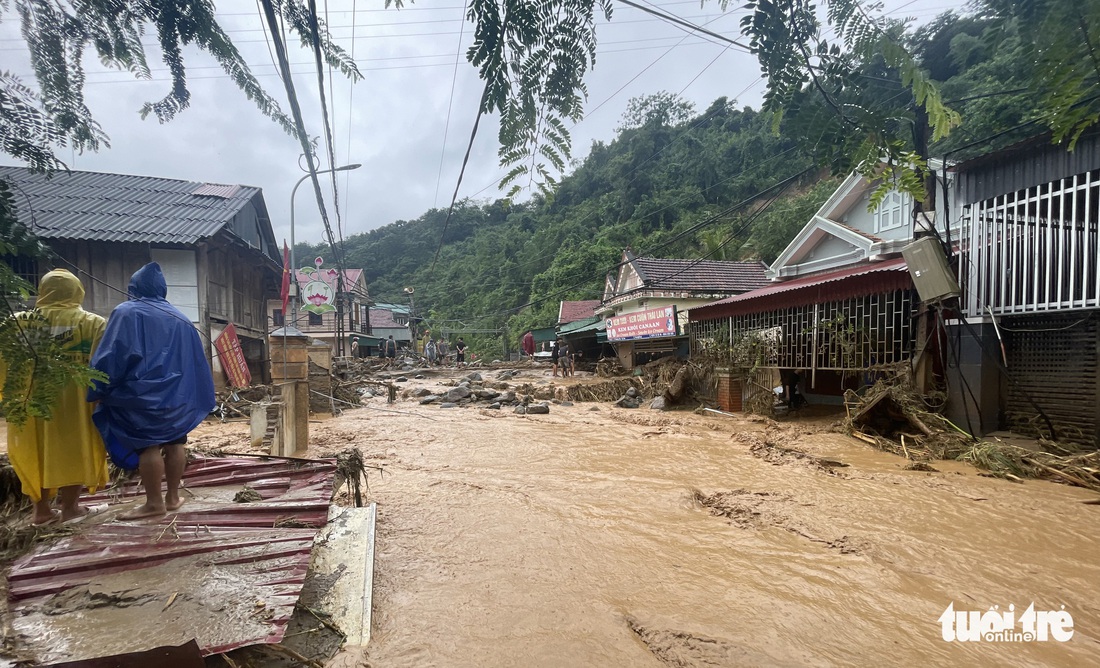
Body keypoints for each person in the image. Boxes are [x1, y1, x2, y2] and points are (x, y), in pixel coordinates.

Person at [88, 262, 215, 520]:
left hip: (140, 396)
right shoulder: (182, 319)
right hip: (177, 398)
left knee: (148, 447)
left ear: (133, 288)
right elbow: (197, 364)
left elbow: (112, 355)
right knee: (176, 441)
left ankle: (153, 503)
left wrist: (98, 387)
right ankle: (173, 498)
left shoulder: (126, 312)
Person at [3, 269, 109, 524]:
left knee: (34, 451)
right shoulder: (93, 323)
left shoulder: (16, 322)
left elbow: (3, 362)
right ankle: (71, 508)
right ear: (77, 290)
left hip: (30, 402)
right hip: (76, 402)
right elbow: (102, 367)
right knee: (74, 450)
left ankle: (41, 511)